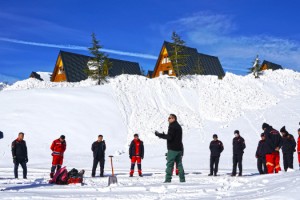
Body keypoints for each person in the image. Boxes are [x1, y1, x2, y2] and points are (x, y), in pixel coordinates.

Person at [155, 114, 185, 183]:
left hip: (172, 149)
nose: (168, 119)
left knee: (170, 164)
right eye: (168, 118)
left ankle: (168, 180)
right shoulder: (179, 127)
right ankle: (182, 180)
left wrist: (160, 135)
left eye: (169, 118)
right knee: (179, 165)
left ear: (173, 119)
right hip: (179, 149)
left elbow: (170, 137)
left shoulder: (172, 126)